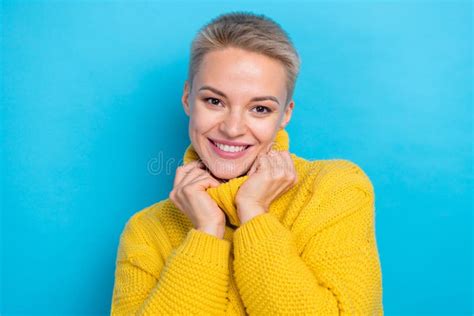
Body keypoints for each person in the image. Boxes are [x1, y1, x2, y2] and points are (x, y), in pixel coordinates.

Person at [110, 11, 383, 315]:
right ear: (188, 99)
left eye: (260, 108)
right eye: (214, 101)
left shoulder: (335, 189)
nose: (233, 127)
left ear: (285, 115)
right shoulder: (147, 231)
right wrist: (206, 233)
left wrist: (252, 212)